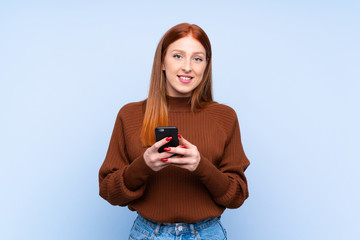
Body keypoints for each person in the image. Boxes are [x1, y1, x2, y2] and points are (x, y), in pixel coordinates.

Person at [98, 22, 250, 240]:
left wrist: (201, 166)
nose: (187, 67)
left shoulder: (224, 117)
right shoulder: (130, 115)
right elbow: (109, 191)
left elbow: (236, 197)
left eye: (197, 58)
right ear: (162, 62)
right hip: (147, 234)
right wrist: (144, 165)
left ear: (206, 66)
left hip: (207, 234)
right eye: (178, 56)